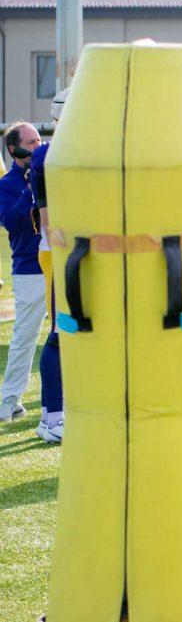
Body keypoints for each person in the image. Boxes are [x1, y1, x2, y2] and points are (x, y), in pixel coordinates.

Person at [27, 90, 69, 442]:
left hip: (83, 253)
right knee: (60, 332)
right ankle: (51, 416)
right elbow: (49, 219)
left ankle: (68, 407)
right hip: (60, 253)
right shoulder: (49, 156)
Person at [0, 122, 46, 424]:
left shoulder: (54, 174)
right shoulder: (6, 186)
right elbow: (11, 222)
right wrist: (30, 189)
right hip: (30, 268)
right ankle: (8, 400)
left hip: (64, 260)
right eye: (31, 143)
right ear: (14, 149)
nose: (38, 147)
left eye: (40, 140)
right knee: (25, 338)